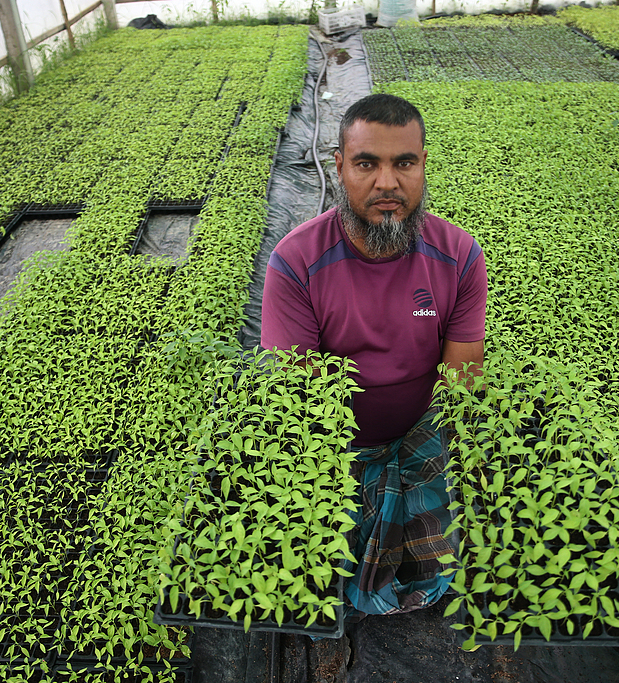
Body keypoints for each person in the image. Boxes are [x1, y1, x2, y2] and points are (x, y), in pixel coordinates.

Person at [260, 93, 488, 621]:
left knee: (437, 555)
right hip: (335, 448)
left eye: (404, 163)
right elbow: (301, 393)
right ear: (339, 167)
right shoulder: (296, 262)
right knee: (330, 561)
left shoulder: (458, 256)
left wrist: (413, 461)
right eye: (367, 163)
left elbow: (461, 382)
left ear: (423, 164)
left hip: (422, 438)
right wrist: (361, 467)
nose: (387, 182)